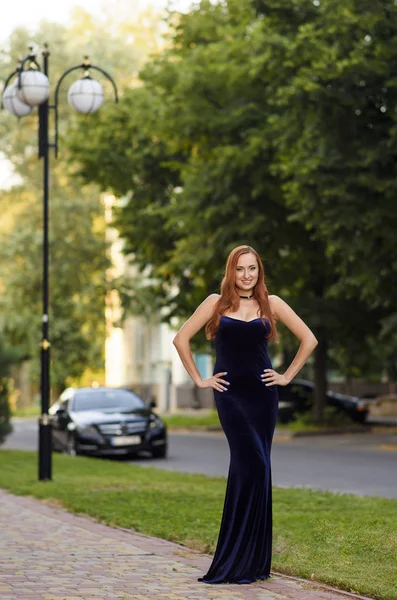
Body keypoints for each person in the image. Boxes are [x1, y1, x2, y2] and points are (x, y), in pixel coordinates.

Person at [172, 245, 318, 584]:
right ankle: (235, 558)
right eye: (240, 269)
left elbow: (308, 339)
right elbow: (181, 339)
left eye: (252, 269)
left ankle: (252, 562)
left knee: (257, 468)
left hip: (263, 397)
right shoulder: (215, 303)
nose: (247, 275)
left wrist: (286, 376)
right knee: (253, 462)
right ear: (231, 272)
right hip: (230, 396)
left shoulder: (272, 304)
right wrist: (199, 380)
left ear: (259, 272)